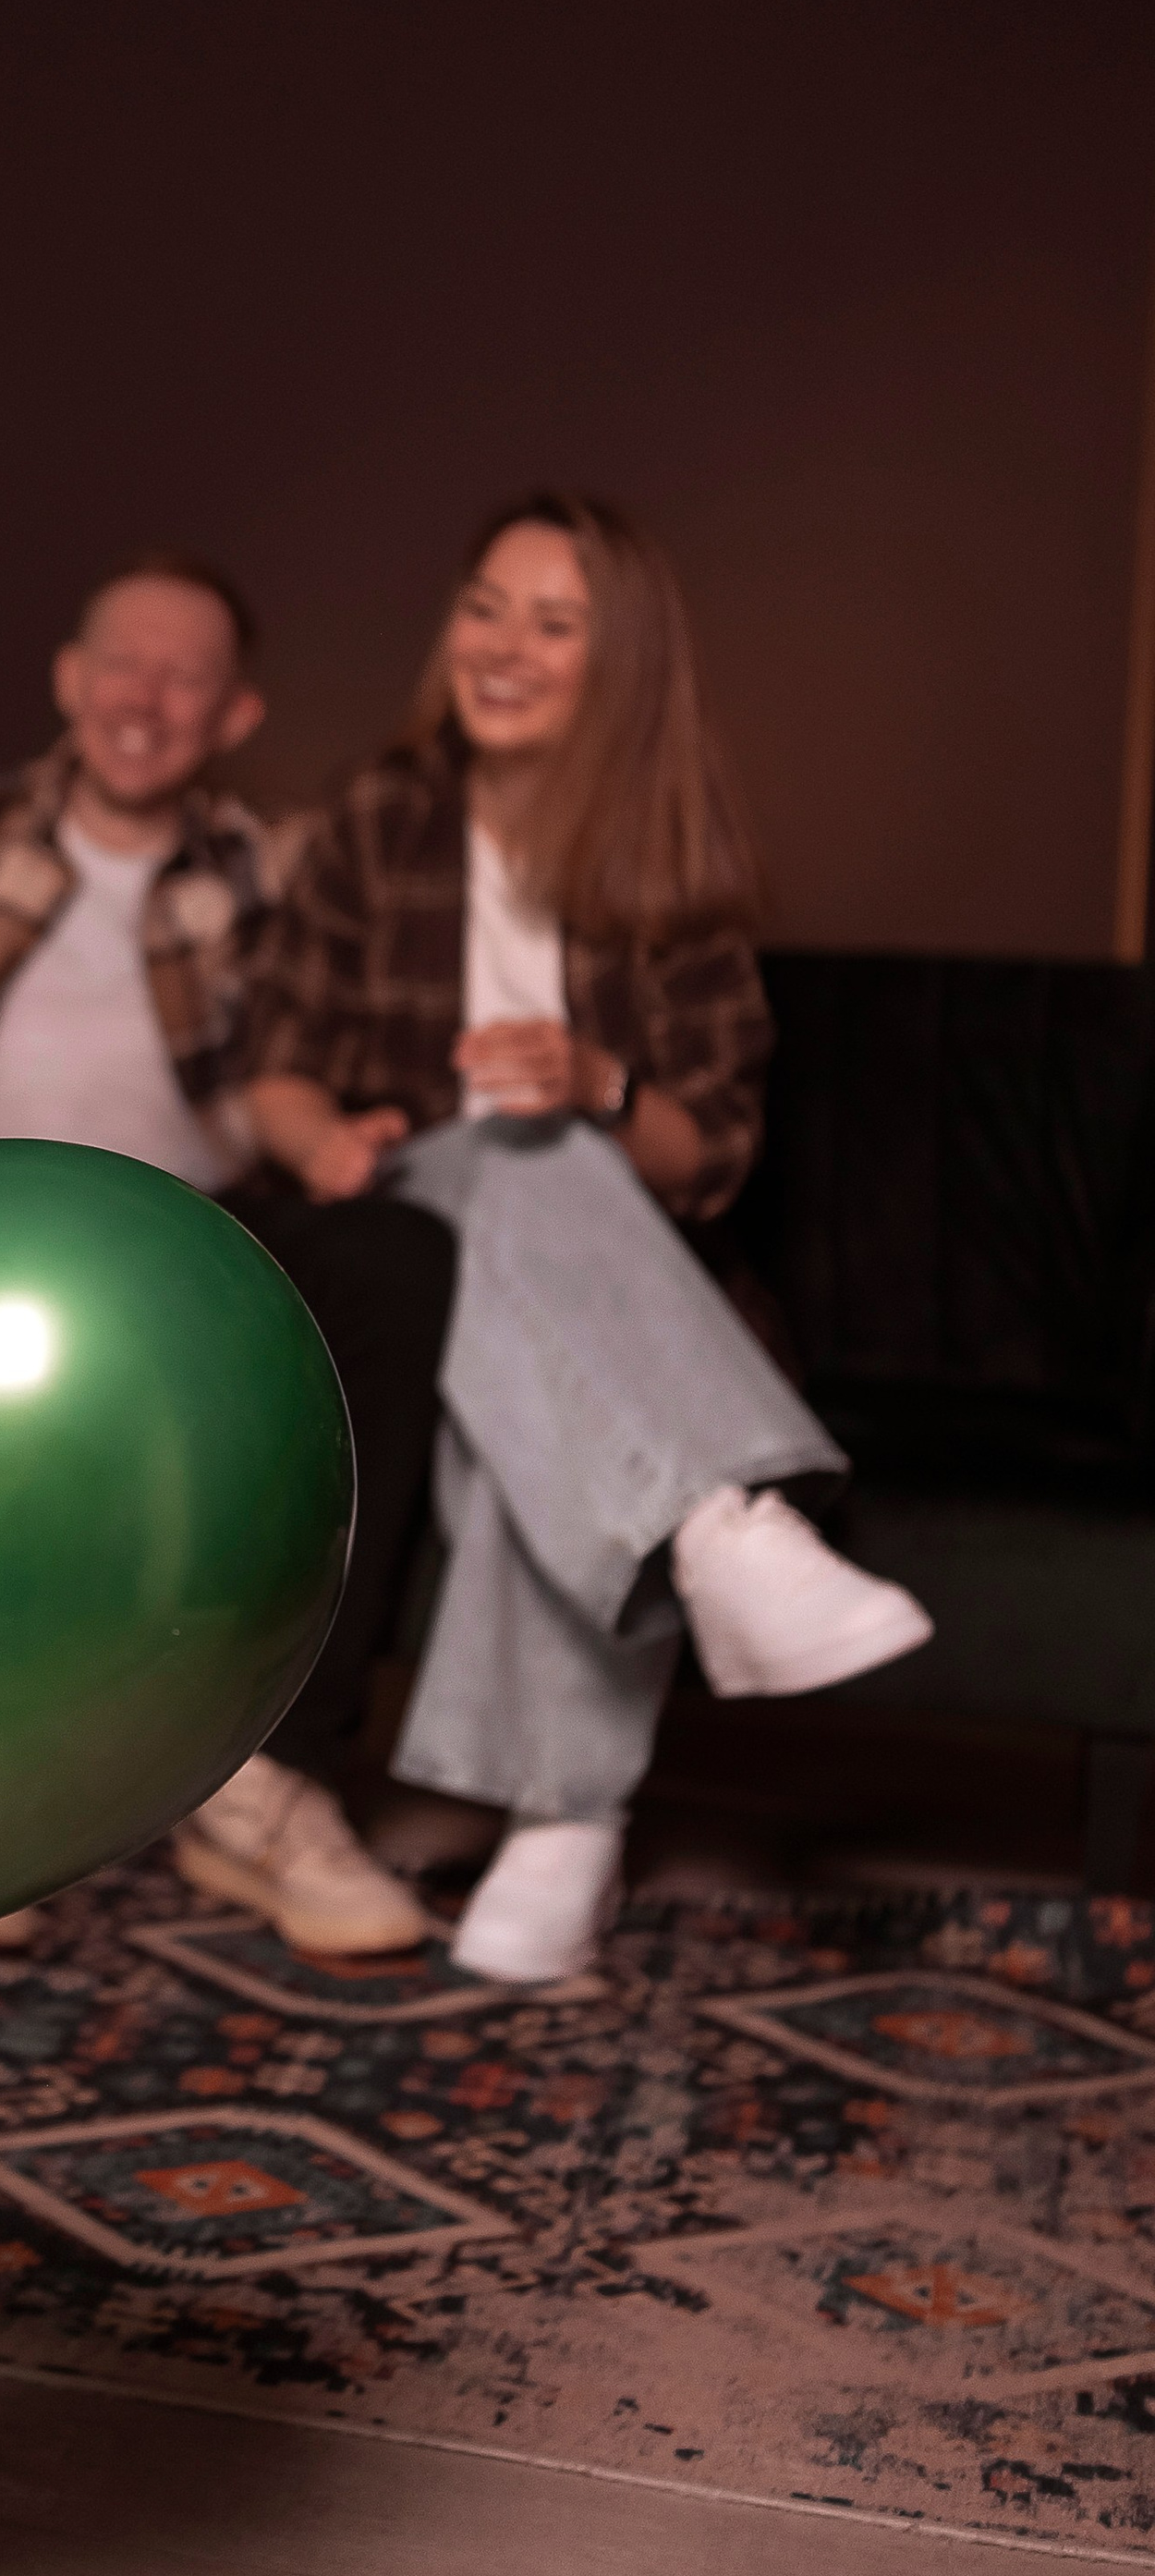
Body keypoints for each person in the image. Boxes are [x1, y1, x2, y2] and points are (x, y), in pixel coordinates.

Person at [244, 495, 931, 1987]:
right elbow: (278, 1064)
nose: (504, 647)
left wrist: (599, 1082)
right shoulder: (380, 819)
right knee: (489, 1161)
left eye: (554, 624)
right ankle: (709, 1532)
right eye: (485, 607)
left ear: (619, 662)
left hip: (605, 1280)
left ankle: (566, 1810)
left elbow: (714, 1153)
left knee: (541, 1178)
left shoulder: (669, 854)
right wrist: (322, 1145)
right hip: (408, 1234)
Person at [0, 555, 456, 1955]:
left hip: (191, 1258)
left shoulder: (274, 868)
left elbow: (318, 1054)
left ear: (236, 716)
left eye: (187, 678)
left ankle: (266, 1783)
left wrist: (339, 1128)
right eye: (123, 662)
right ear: (69, 679)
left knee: (396, 1255)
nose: (146, 698)